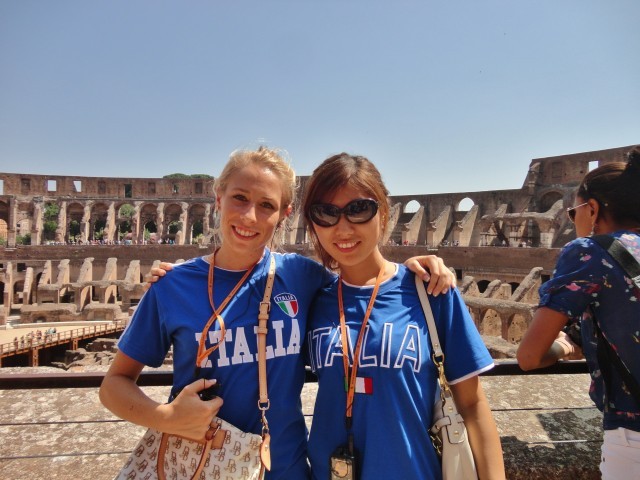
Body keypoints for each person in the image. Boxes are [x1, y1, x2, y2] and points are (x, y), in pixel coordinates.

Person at [101, 146, 455, 480]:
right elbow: (114, 384)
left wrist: (413, 270)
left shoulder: (303, 276)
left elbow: (362, 283)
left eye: (266, 205)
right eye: (239, 198)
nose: (249, 216)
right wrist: (166, 418)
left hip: (286, 469)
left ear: (284, 214)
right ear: (218, 198)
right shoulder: (172, 285)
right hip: (202, 464)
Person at [302, 153, 505, 479]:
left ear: (383, 214)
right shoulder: (312, 300)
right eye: (325, 213)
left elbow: (472, 406)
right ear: (312, 223)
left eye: (358, 209)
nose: (343, 227)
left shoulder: (431, 291)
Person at [517, 147, 640, 479]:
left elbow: (529, 356)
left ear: (594, 208)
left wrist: (563, 346)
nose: (573, 220)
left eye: (574, 212)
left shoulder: (589, 252)